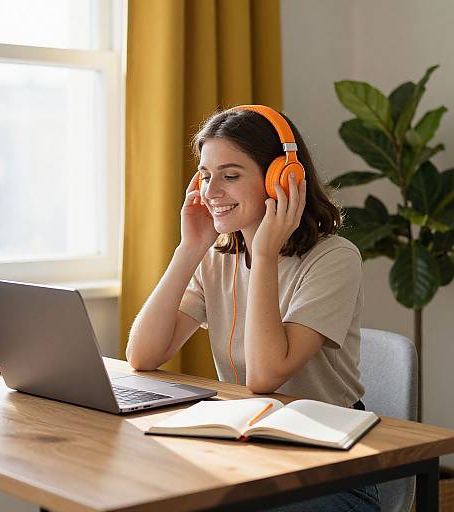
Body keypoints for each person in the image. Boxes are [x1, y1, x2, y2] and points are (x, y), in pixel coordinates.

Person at [126, 105, 380, 511]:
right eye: (206, 176)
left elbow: (265, 376)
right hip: (248, 456)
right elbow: (144, 354)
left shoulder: (333, 259)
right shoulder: (215, 256)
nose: (210, 192)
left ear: (283, 179)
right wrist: (189, 248)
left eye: (230, 176)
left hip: (330, 468)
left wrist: (263, 256)